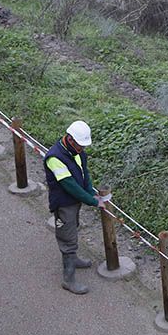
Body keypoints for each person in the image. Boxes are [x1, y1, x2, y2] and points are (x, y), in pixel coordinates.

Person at [43, 120, 100, 295]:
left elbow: (85, 174)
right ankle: (68, 280)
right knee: (67, 238)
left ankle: (73, 260)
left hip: (74, 201)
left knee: (73, 227)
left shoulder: (78, 152)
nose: (82, 148)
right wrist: (94, 202)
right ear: (70, 139)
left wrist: (91, 192)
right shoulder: (55, 158)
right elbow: (70, 185)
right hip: (63, 202)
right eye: (80, 145)